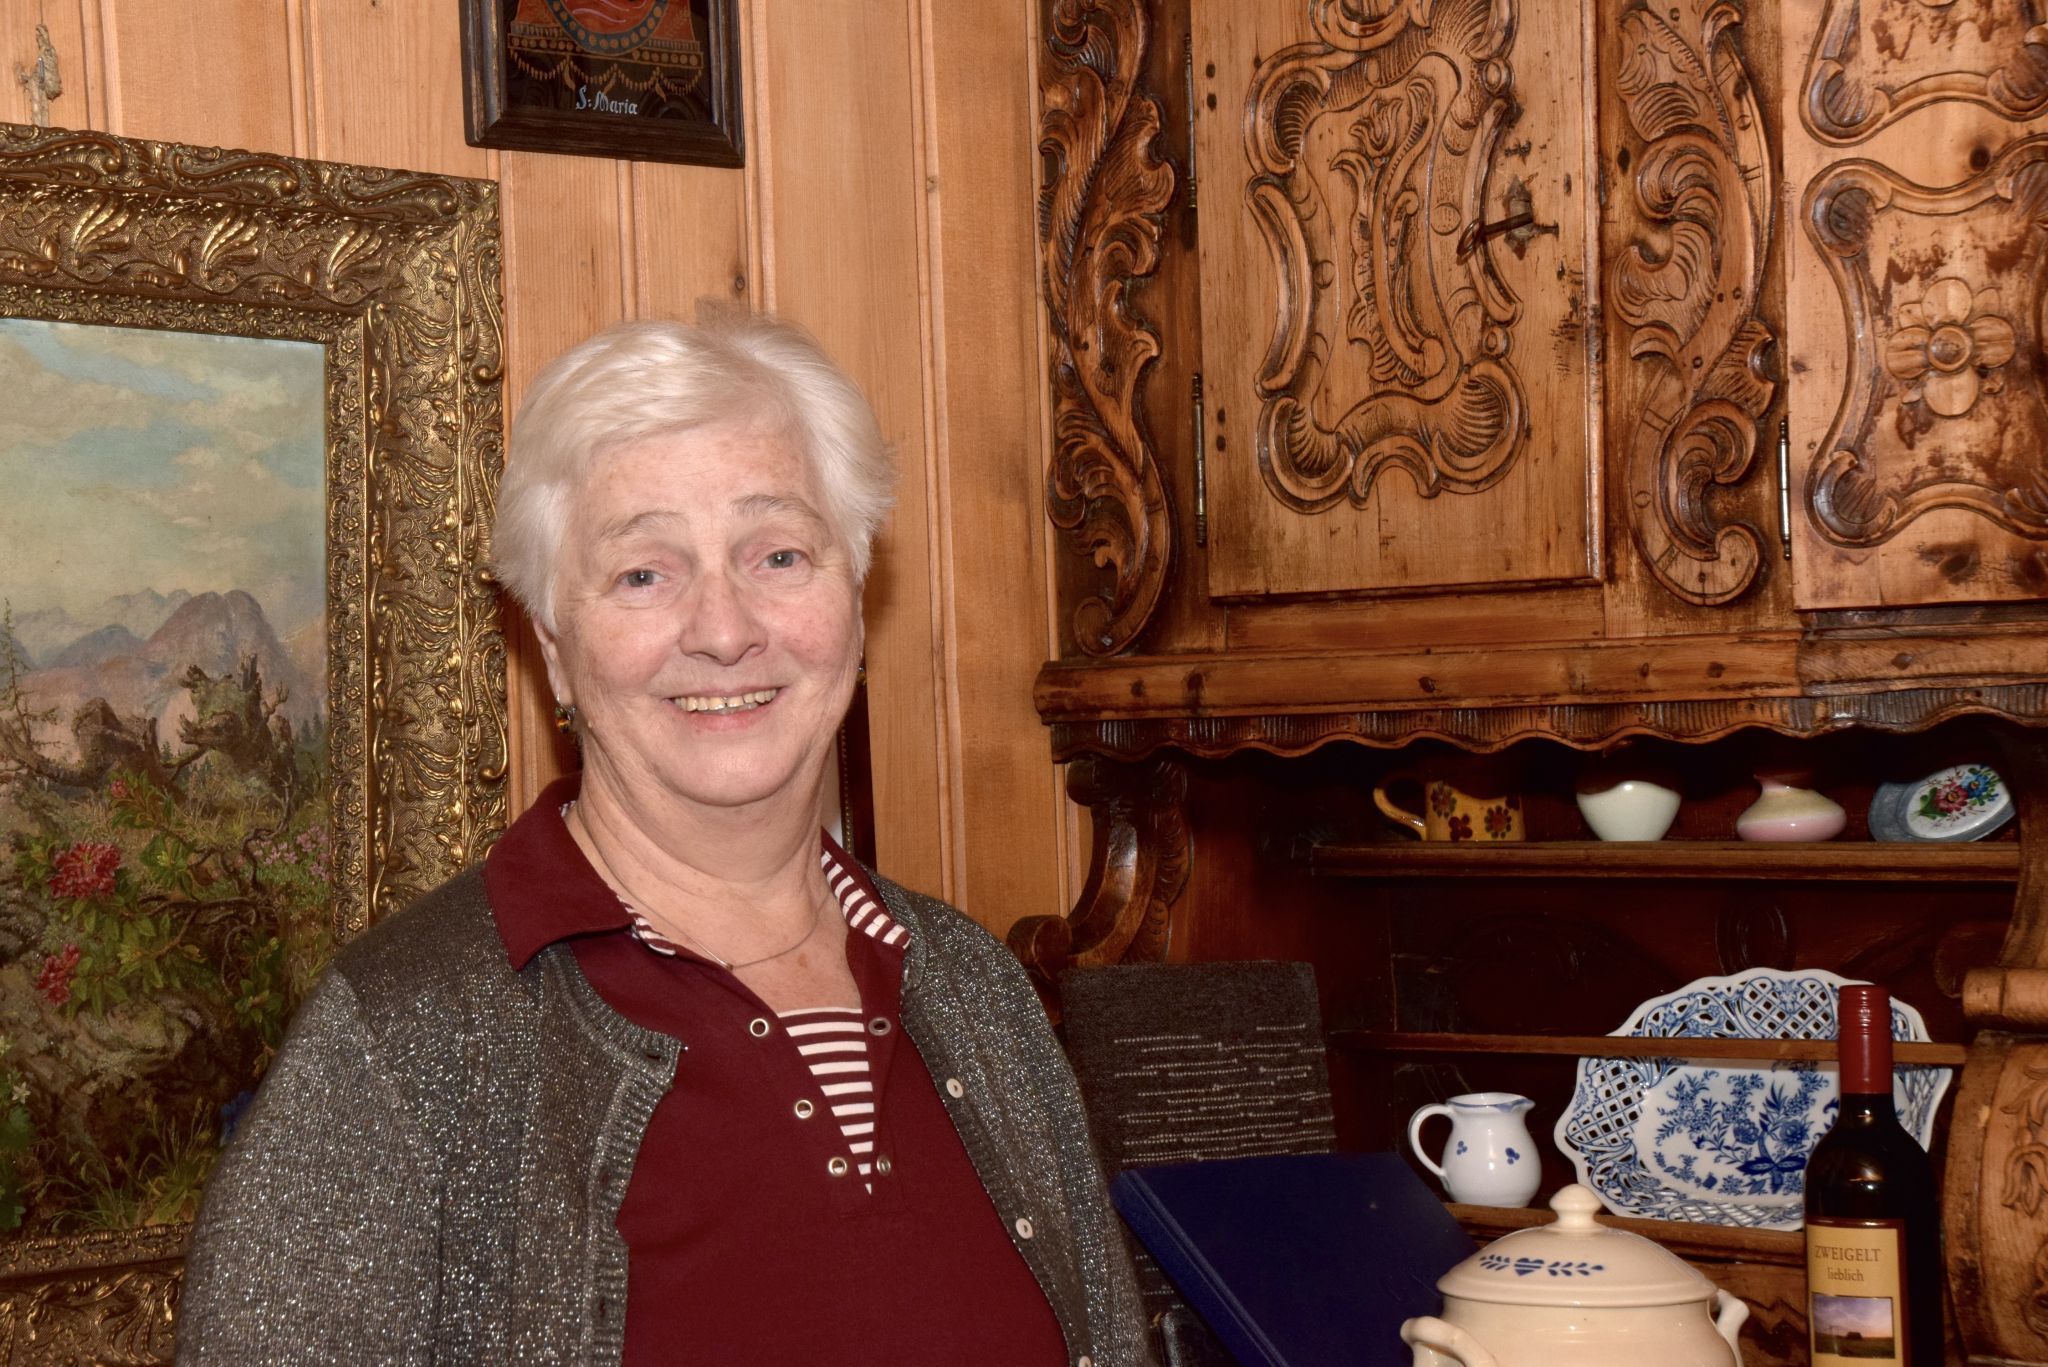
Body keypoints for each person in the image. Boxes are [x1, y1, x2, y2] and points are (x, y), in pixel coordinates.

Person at [178, 314, 1152, 1366]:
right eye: (644, 572)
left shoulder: (976, 990)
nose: (724, 629)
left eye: (777, 553)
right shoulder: (405, 1038)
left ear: (855, 599)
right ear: (551, 647)